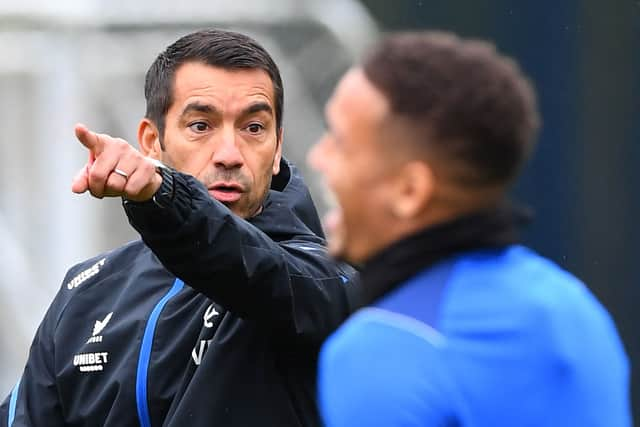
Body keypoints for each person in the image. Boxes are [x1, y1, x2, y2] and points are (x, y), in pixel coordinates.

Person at [0, 29, 358, 427]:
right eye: (201, 126)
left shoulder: (323, 275)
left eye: (253, 128)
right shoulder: (85, 293)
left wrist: (164, 195)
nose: (229, 154)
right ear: (152, 142)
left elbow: (258, 272)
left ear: (277, 150)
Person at [310, 31, 631, 426]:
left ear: (410, 191)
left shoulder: (375, 351)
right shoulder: (573, 306)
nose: (317, 157)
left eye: (339, 142)